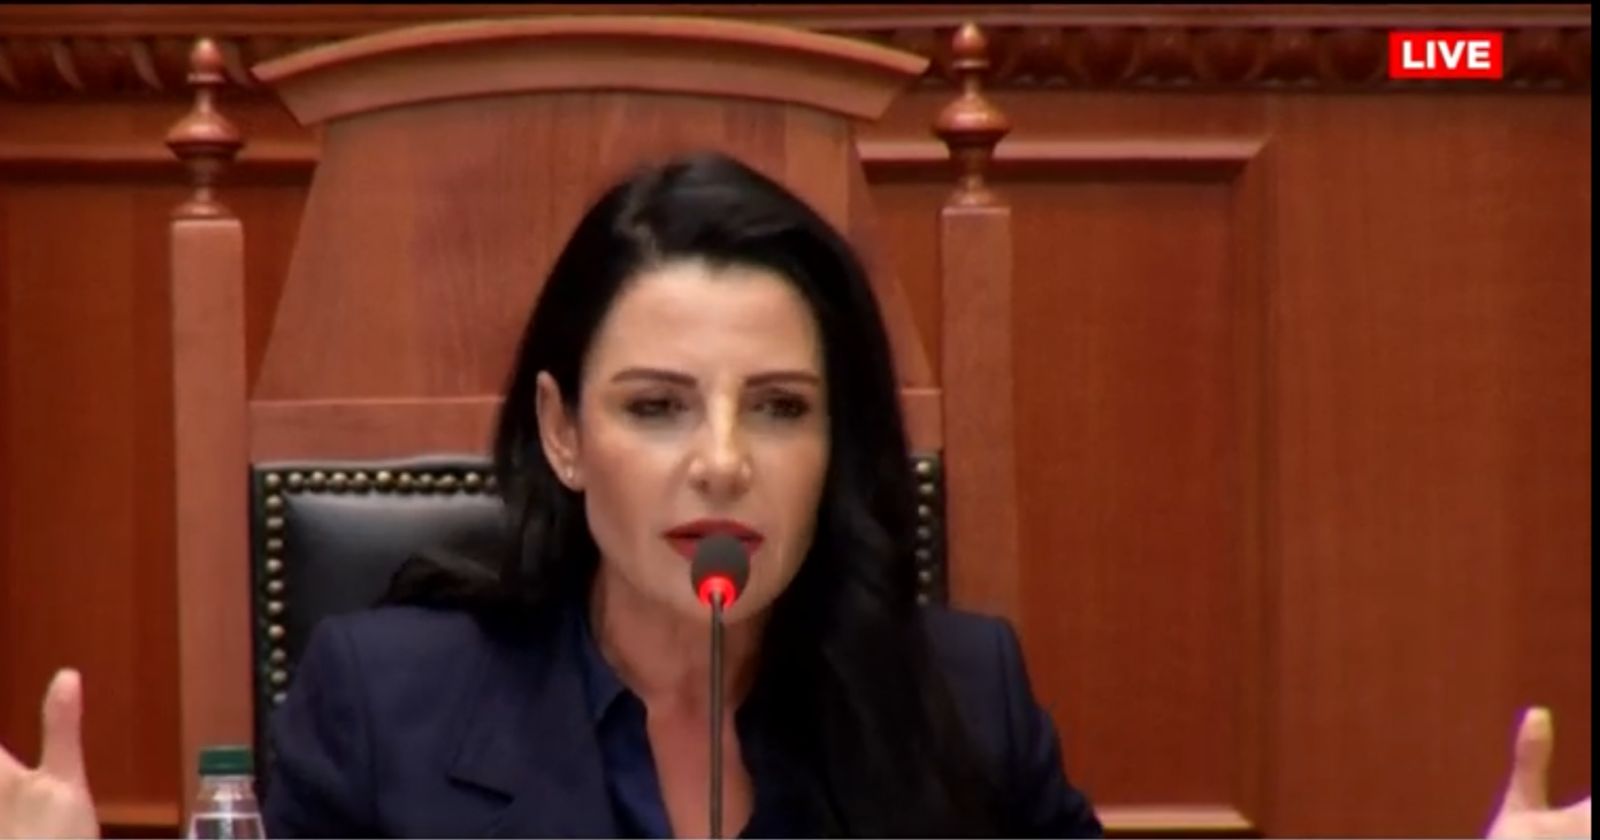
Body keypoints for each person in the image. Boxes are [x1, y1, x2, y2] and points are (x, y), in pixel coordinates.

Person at [0, 152, 1591, 840]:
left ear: (839, 450)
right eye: (655, 406)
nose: (721, 462)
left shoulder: (964, 702)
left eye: (780, 408)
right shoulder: (381, 706)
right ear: (561, 435)